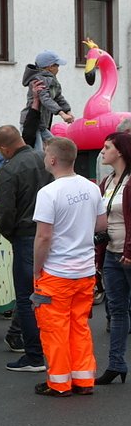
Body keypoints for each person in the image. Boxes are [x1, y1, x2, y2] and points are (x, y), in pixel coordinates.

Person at [31, 137, 107, 396]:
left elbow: (43, 237)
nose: (44, 159)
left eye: (44, 155)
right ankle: (84, 379)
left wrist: (36, 269)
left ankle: (59, 383)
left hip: (57, 272)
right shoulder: (91, 188)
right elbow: (101, 225)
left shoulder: (48, 193)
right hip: (85, 271)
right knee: (79, 326)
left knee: (55, 330)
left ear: (52, 160)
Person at [0, 81, 52, 372]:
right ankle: (52, 349)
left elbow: (5, 211)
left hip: (26, 237)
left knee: (27, 298)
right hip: (52, 235)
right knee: (50, 296)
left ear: (4, 147)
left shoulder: (9, 169)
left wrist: (10, 234)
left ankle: (34, 354)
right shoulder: (45, 159)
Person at [95, 132, 131, 384]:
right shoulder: (107, 181)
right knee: (117, 311)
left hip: (129, 254)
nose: (101, 151)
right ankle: (116, 363)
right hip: (111, 254)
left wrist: (129, 250)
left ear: (119, 150)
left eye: (106, 147)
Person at [20, 50, 74, 150]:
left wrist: (68, 110)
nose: (58, 68)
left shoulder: (52, 79)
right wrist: (62, 114)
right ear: (50, 67)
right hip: (32, 122)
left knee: (54, 148)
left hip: (42, 124)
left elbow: (58, 97)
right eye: (57, 65)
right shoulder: (38, 80)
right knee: (39, 151)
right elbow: (45, 99)